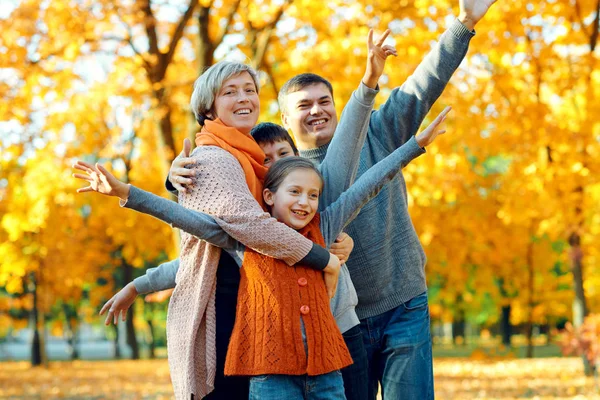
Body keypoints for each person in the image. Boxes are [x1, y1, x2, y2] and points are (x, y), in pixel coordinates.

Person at [168, 2, 498, 398]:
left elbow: (422, 84)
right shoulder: (272, 178)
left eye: (324, 100)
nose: (317, 110)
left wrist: (463, 24)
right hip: (339, 322)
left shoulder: (376, 132)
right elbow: (222, 209)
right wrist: (174, 179)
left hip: (401, 302)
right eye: (303, 105)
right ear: (284, 121)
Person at [78, 28, 397, 400]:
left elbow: (221, 236)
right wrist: (323, 258)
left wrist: (334, 243)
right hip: (227, 310)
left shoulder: (256, 167)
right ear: (209, 108)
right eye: (230, 91)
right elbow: (241, 231)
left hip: (273, 317)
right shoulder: (215, 158)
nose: (244, 97)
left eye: (249, 90)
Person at [73, 105, 449, 399]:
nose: (304, 203)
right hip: (271, 374)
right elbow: (184, 220)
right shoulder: (244, 237)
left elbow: (368, 184)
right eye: (294, 193)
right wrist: (125, 192)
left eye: (312, 195)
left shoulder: (327, 224)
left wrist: (414, 146)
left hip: (327, 370)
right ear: (267, 195)